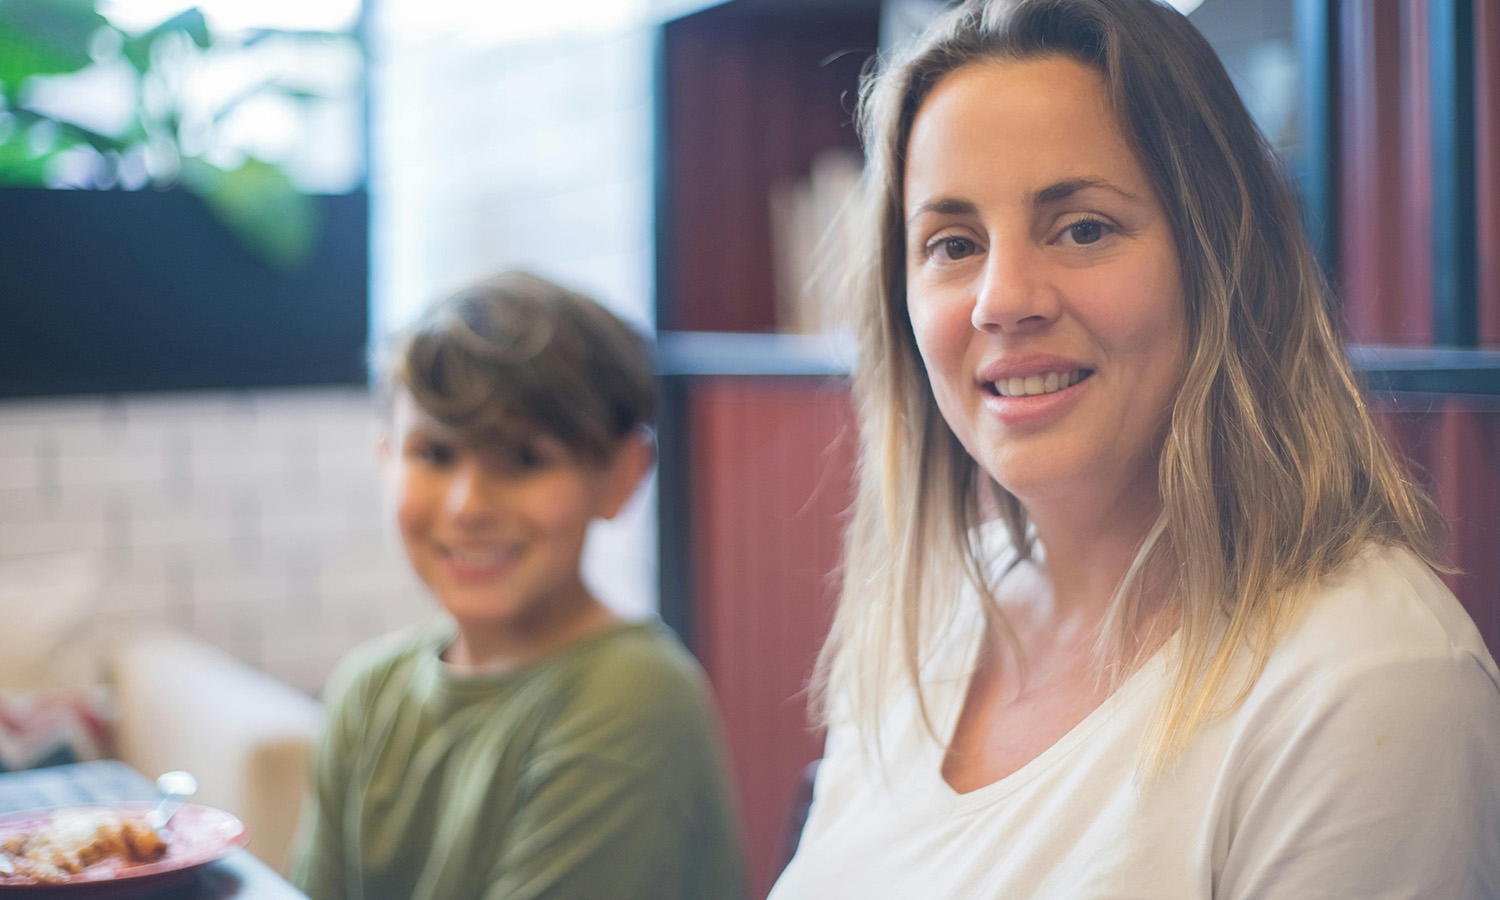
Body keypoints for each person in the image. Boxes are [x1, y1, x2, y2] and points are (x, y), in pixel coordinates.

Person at [769, 1, 1500, 898]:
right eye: (952, 244)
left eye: (1083, 227)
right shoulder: (933, 619)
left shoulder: (1368, 676)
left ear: (1222, 262)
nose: (1003, 299)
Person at [290, 271, 747, 900]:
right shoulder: (367, 693)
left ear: (621, 476)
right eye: (435, 455)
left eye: (524, 459)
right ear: (386, 459)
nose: (469, 504)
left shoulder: (633, 696)